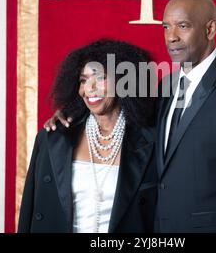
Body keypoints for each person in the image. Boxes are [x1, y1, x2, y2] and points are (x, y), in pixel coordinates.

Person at [46, 0, 216, 232]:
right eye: (166, 27)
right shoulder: (166, 88)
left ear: (211, 29)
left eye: (182, 26)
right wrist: (71, 115)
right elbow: (123, 119)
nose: (171, 37)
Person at [18, 39, 157, 233]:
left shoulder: (154, 142)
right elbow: (28, 213)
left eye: (99, 77)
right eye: (83, 80)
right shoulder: (53, 138)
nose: (88, 88)